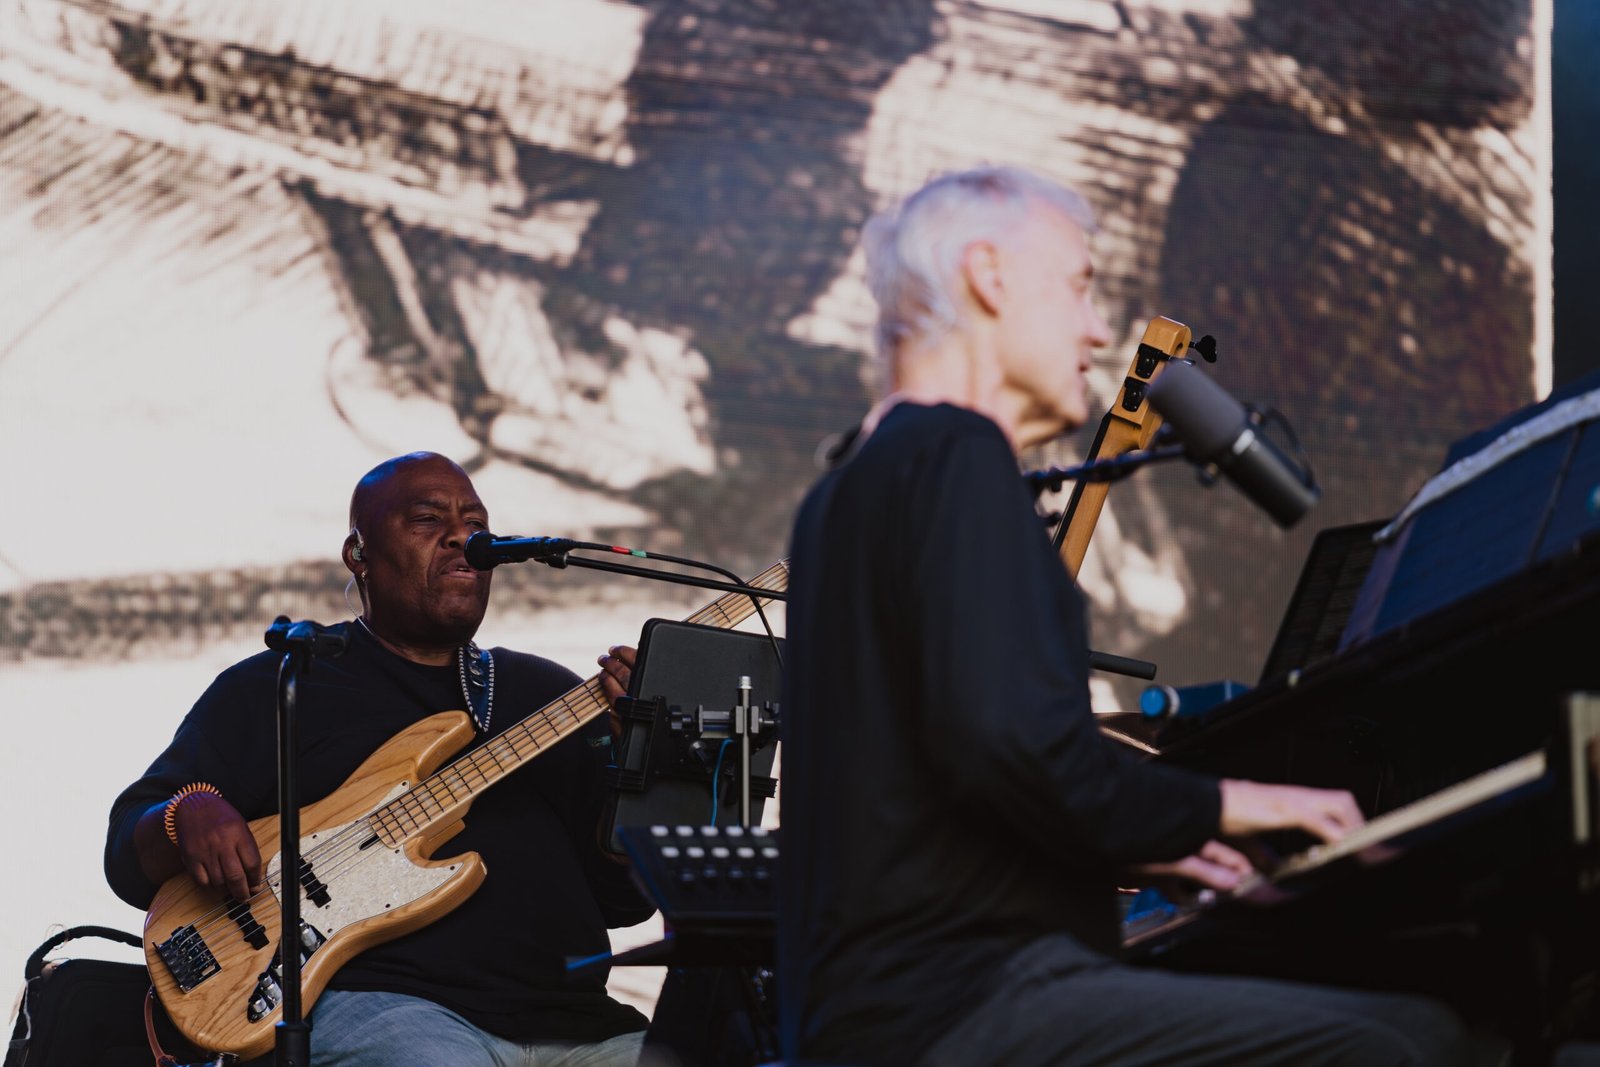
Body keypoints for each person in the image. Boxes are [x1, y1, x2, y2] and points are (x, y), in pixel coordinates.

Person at [776, 167, 1477, 1066]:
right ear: (988, 276)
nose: (1098, 329)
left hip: (877, 1015)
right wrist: (1242, 803)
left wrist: (1158, 843)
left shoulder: (847, 488)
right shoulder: (959, 454)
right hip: (968, 1005)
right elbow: (1018, 747)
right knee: (1413, 1039)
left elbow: (936, 779)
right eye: (1079, 285)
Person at [106, 451, 656, 1067]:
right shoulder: (287, 681)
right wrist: (187, 811)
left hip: (576, 1023)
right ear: (358, 554)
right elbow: (127, 848)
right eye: (428, 520)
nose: (462, 536)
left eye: (476, 522)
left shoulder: (548, 694)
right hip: (388, 1009)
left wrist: (638, 763)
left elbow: (626, 901)